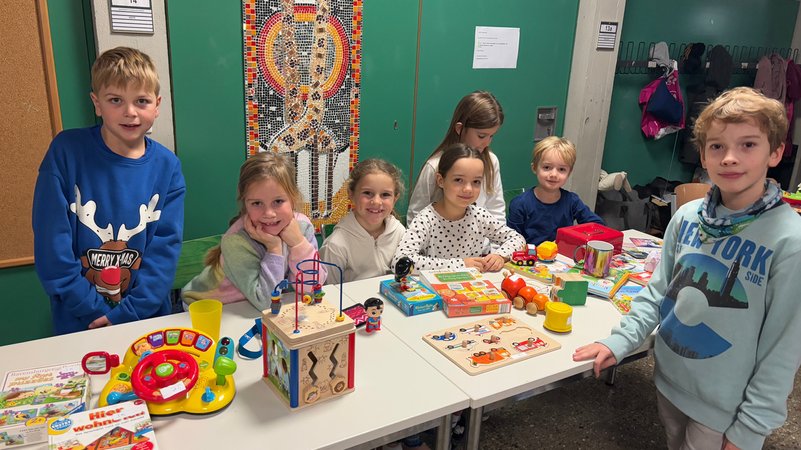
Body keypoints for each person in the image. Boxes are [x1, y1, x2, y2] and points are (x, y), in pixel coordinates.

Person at [573, 87, 801, 450]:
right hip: (671, 382)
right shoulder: (687, 216)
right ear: (704, 156)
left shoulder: (790, 240)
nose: (729, 158)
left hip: (727, 406)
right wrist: (621, 340)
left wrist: (751, 428)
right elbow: (659, 291)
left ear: (775, 152)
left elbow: (783, 347)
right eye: (717, 146)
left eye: (748, 145)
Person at [32, 47, 185, 335]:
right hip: (80, 322)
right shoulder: (66, 152)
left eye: (141, 101)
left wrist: (128, 313)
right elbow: (52, 247)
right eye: (116, 100)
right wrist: (94, 311)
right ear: (97, 103)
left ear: (157, 105)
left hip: (146, 321)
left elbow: (164, 253)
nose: (130, 112)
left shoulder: (168, 167)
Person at [181, 152, 325, 310]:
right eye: (257, 203)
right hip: (204, 309)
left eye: (278, 201)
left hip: (248, 310)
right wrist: (274, 249)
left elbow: (312, 288)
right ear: (245, 203)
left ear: (293, 198)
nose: (269, 213)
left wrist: (298, 244)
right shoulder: (236, 241)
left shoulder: (302, 227)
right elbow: (266, 302)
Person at [393, 143, 525, 272]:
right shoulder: (426, 220)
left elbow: (517, 238)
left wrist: (500, 256)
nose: (468, 189)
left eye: (476, 182)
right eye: (458, 180)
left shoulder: (480, 216)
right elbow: (399, 261)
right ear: (440, 180)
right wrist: (460, 264)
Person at [407, 91, 505, 224]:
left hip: (480, 237)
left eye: (491, 136)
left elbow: (496, 209)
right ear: (459, 128)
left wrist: (497, 237)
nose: (487, 143)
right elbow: (416, 214)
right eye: (481, 136)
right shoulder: (435, 165)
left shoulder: (491, 161)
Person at [319, 159, 405, 284]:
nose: (376, 201)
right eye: (367, 193)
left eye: (385, 194)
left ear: (395, 199)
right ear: (351, 194)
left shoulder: (400, 232)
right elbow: (330, 291)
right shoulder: (335, 245)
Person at [507, 136, 603, 246]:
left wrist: (573, 237)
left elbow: (597, 226)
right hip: (530, 255)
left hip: (563, 254)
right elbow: (511, 241)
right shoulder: (520, 204)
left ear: (569, 172)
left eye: (561, 169)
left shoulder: (572, 201)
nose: (553, 174)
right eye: (547, 167)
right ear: (534, 168)